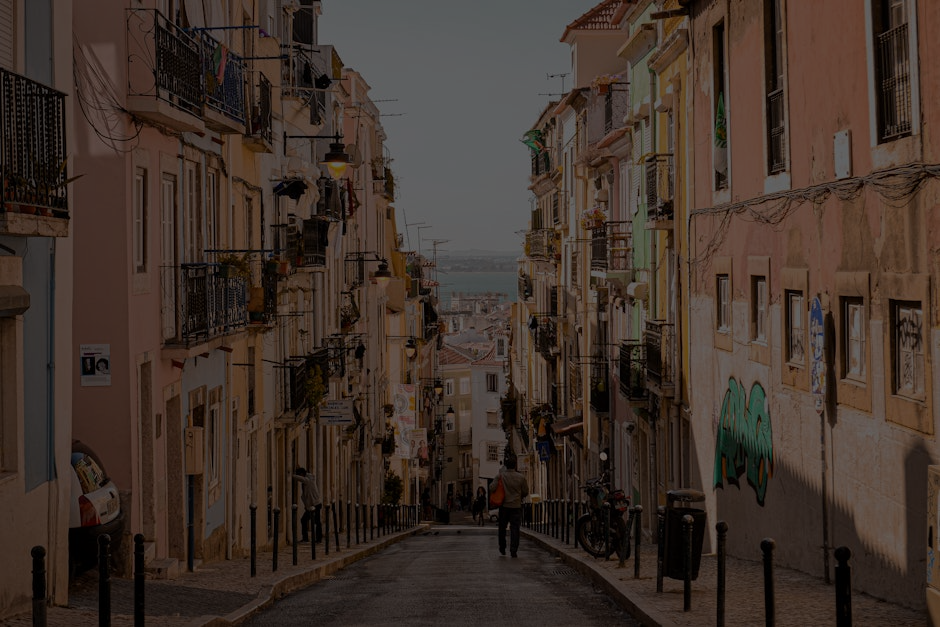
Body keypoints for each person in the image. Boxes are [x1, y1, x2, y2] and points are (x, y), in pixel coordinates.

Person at [490, 455, 528, 557]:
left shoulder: (500, 476)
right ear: (515, 465)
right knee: (515, 528)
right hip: (516, 506)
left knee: (502, 528)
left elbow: (492, 488)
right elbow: (525, 491)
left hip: (504, 506)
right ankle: (513, 549)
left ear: (506, 465)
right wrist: (518, 495)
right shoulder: (521, 477)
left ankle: (502, 547)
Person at [292, 467, 322, 542]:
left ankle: (318, 538)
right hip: (310, 505)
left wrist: (291, 475)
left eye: (299, 474)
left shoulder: (309, 479)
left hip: (315, 504)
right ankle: (305, 538)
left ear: (302, 474)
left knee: (317, 521)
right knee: (304, 520)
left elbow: (302, 479)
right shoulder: (307, 480)